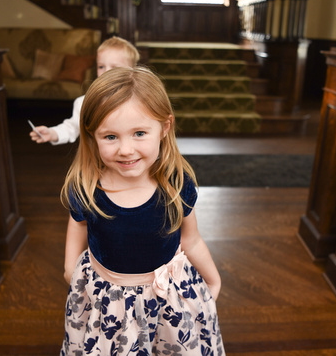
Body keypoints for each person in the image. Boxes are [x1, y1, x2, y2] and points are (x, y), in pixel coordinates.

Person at [60, 66, 224, 355]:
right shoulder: (86, 186)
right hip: (109, 303)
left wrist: (212, 278)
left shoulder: (175, 183)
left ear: (164, 127)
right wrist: (70, 266)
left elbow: (192, 239)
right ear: (92, 136)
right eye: (110, 137)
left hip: (168, 299)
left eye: (139, 133)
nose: (125, 149)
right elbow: (79, 224)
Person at [29, 36, 140, 145]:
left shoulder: (139, 101)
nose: (106, 72)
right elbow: (71, 127)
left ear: (131, 71)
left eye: (114, 67)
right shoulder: (84, 102)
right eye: (101, 67)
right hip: (95, 160)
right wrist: (52, 133)